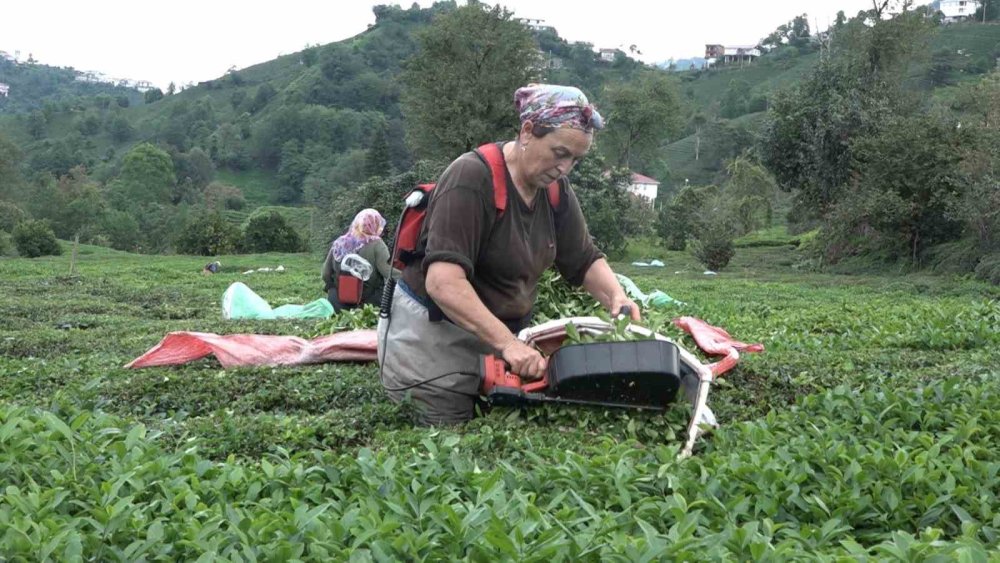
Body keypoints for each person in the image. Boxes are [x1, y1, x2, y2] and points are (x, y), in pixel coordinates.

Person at [378, 84, 641, 425]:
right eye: (559, 153)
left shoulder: (554, 189)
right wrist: (509, 344)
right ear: (528, 131)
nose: (565, 168)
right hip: (437, 342)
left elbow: (584, 258)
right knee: (451, 443)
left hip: (500, 343)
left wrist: (616, 297)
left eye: (575, 159)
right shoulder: (471, 177)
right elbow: (444, 283)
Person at [322, 209, 398, 311]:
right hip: (367, 305)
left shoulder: (339, 242)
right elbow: (388, 272)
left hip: (338, 302)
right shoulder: (377, 244)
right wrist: (408, 280)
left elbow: (326, 274)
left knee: (333, 291)